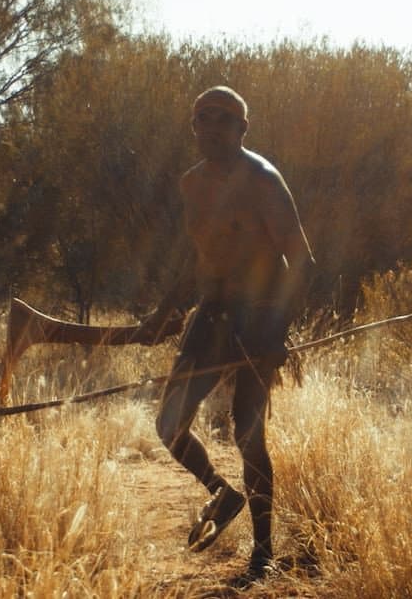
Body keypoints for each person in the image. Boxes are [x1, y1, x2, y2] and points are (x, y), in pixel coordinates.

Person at [139, 85, 315, 586]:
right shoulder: (191, 183)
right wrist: (164, 311)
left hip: (257, 316)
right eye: (202, 118)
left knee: (247, 433)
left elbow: (301, 262)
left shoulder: (262, 180)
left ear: (243, 128)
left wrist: (275, 333)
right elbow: (201, 256)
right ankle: (221, 492)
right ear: (193, 127)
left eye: (223, 118)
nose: (212, 127)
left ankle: (264, 552)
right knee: (169, 424)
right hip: (209, 312)